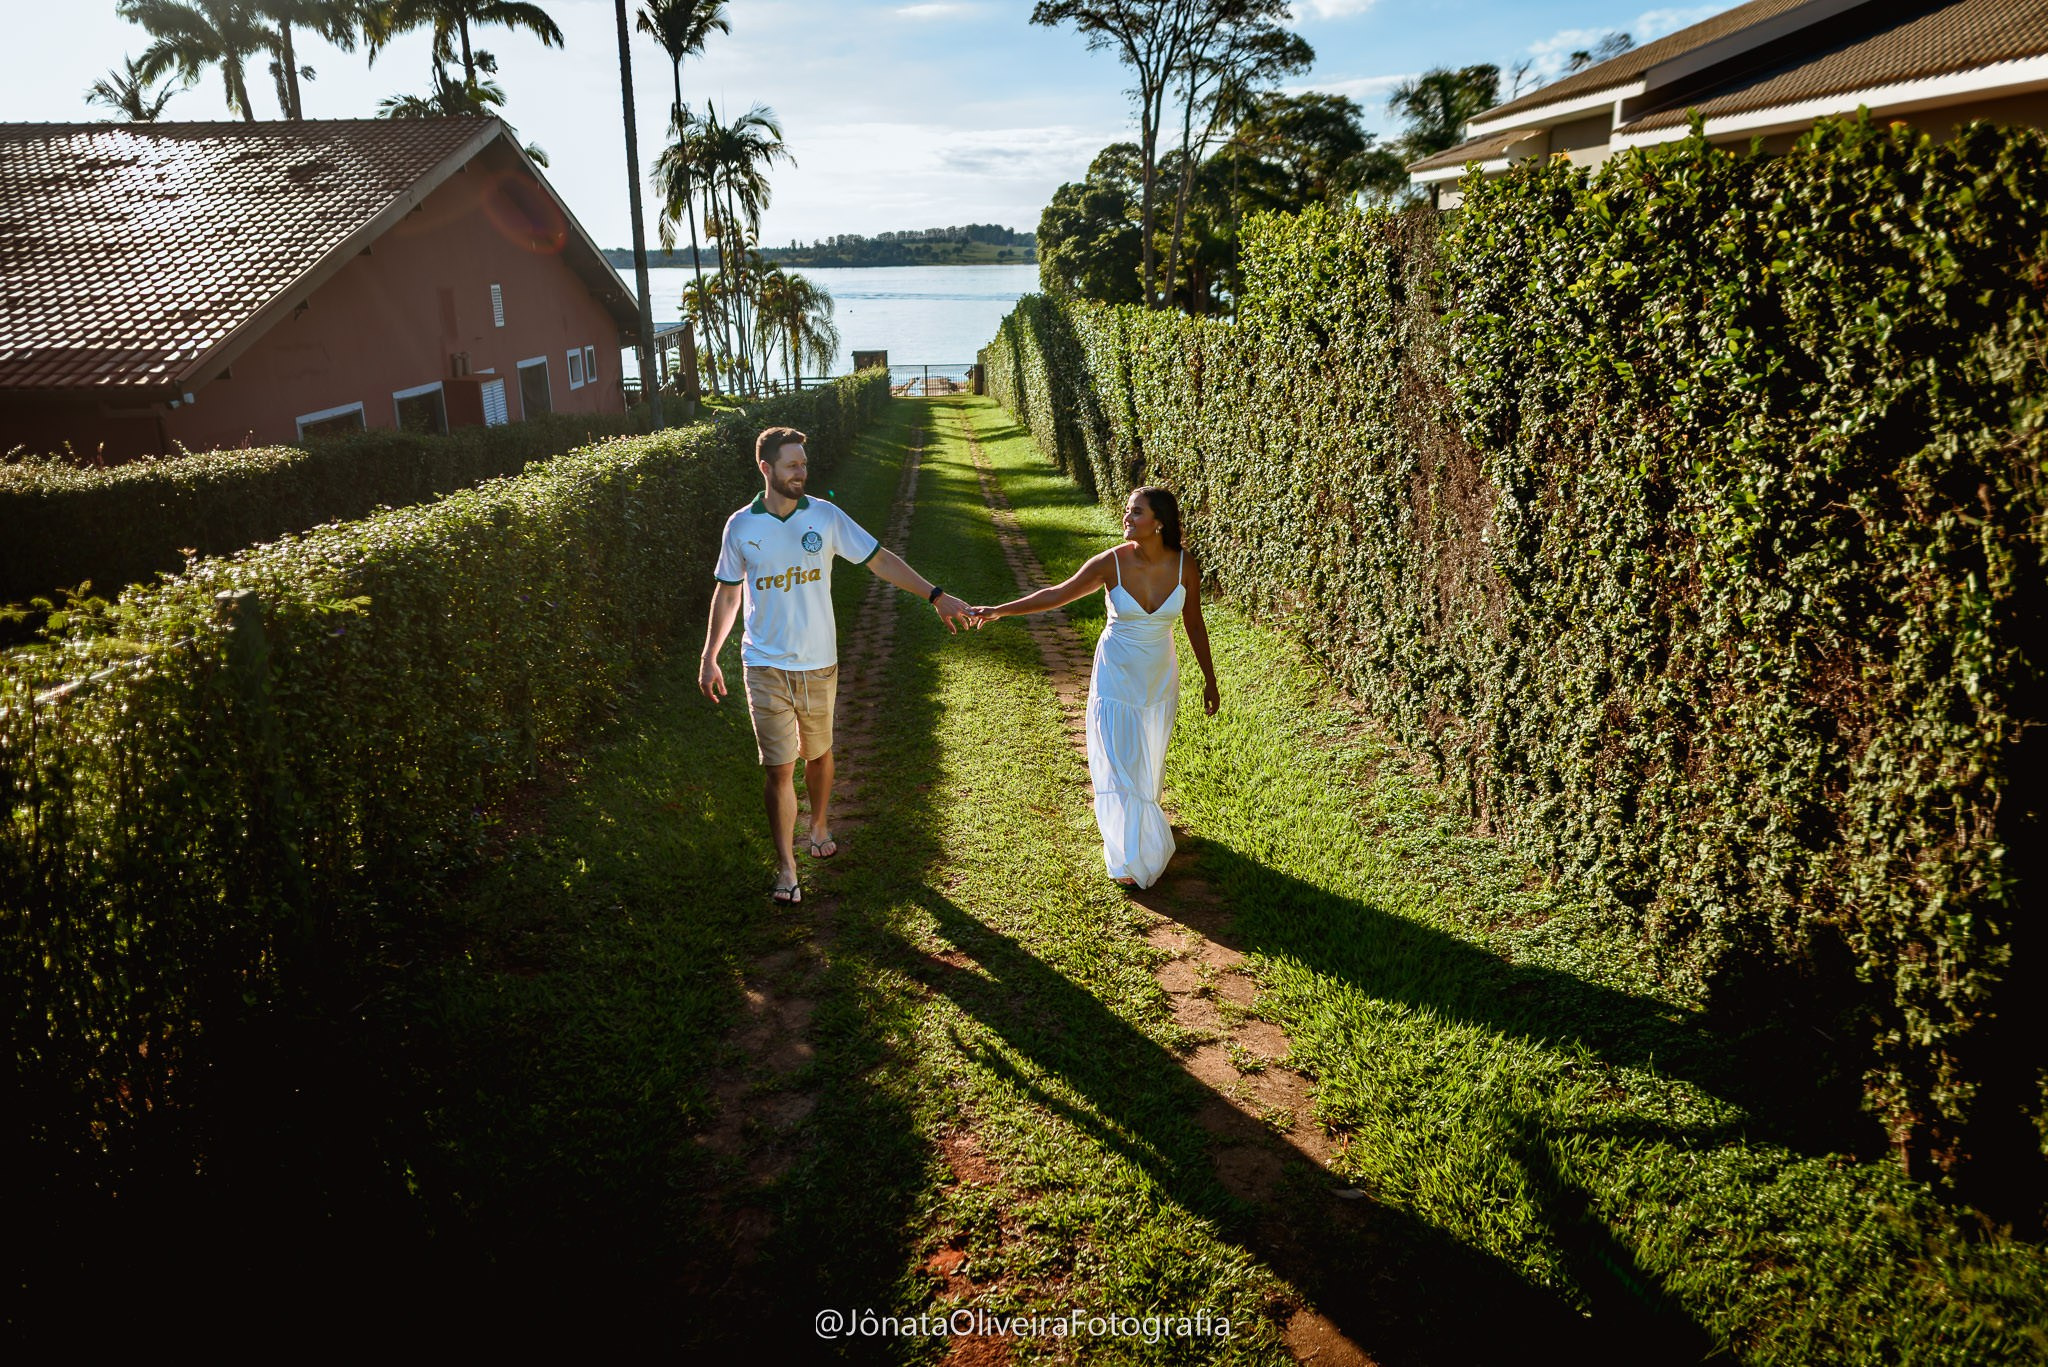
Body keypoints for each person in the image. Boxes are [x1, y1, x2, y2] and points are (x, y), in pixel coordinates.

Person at [701, 426, 972, 904]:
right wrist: (709, 656)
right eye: (792, 465)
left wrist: (935, 595)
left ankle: (820, 821)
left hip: (819, 664)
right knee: (778, 768)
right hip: (763, 664)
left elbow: (879, 560)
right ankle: (787, 867)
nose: (801, 472)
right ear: (766, 469)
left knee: (819, 755)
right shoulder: (740, 526)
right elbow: (728, 592)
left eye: (804, 464)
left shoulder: (824, 517)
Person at [969, 486, 1219, 889]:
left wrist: (1209, 678)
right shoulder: (1111, 563)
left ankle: (1141, 822)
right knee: (1121, 761)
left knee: (1149, 759)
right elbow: (1057, 595)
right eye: (1127, 511)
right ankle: (1130, 852)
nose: (1127, 517)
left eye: (1136, 512)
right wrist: (1000, 611)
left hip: (1158, 678)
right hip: (1116, 675)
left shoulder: (1185, 565)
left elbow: (1193, 622)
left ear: (1159, 522)